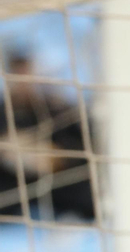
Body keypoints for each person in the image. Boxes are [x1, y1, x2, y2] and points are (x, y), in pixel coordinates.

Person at [0, 51, 94, 222]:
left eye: (26, 74)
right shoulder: (2, 113)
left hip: (58, 187)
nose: (23, 82)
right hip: (12, 192)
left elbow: (84, 145)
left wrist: (53, 158)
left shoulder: (55, 110)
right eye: (17, 75)